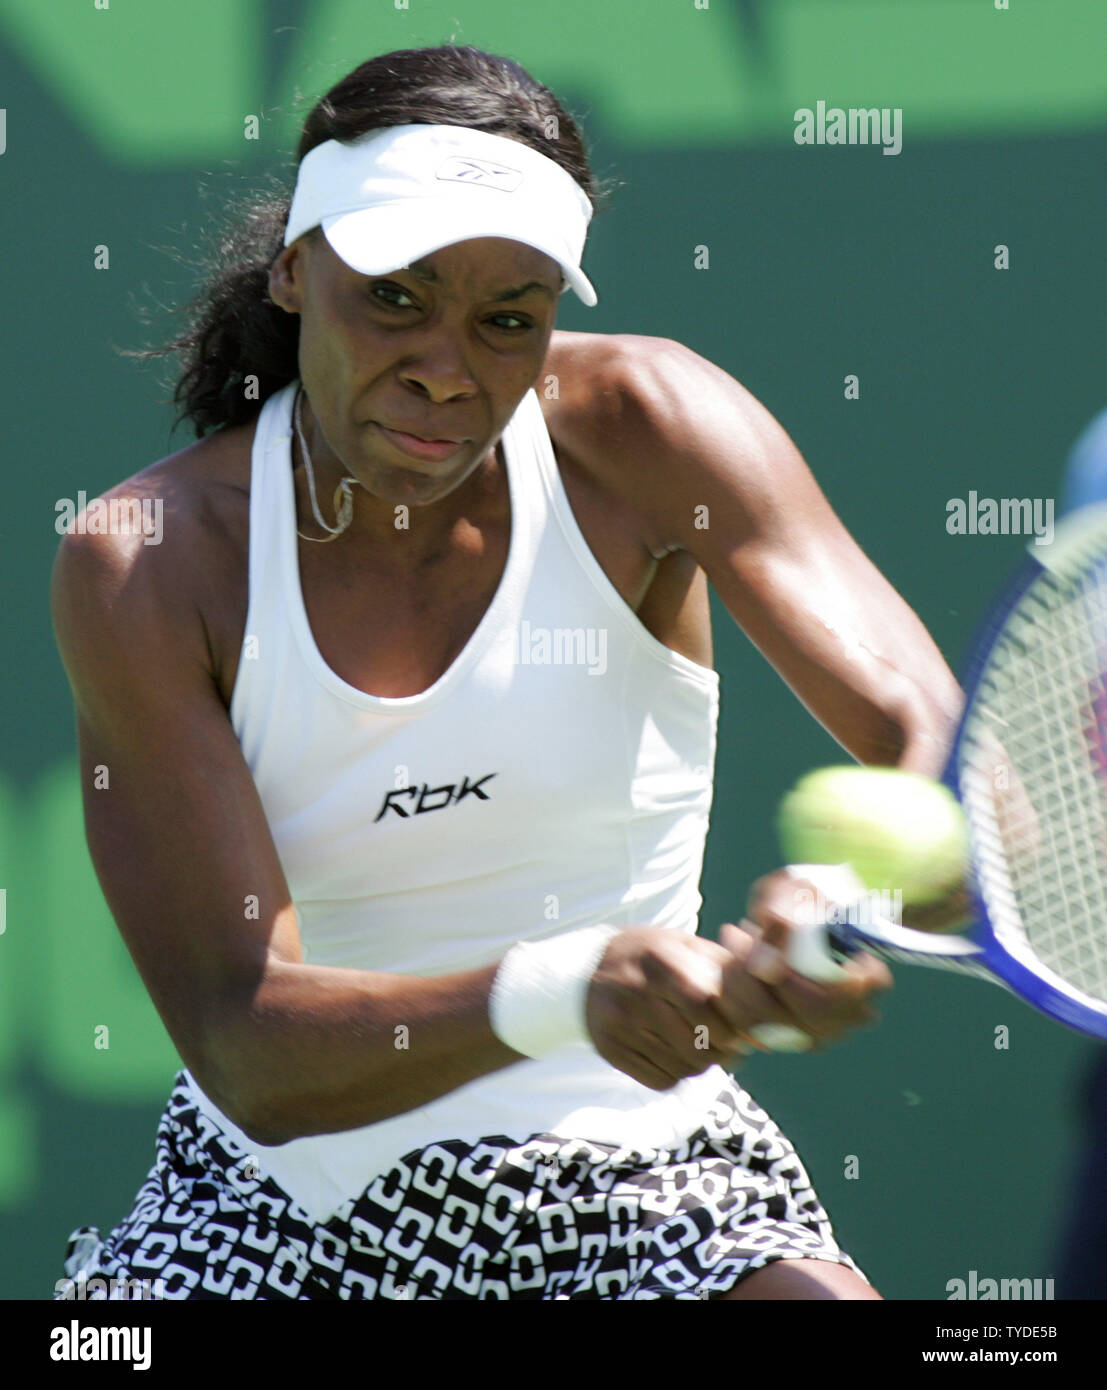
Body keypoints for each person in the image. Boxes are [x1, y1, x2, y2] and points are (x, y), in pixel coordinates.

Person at [50, 44, 961, 1301]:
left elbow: (935, 742)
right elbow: (250, 1052)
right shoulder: (145, 562)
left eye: (507, 321)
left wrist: (853, 891)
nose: (447, 366)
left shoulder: (650, 425)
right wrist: (565, 991)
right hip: (284, 1199)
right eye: (398, 298)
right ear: (297, 269)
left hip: (650, 1166)